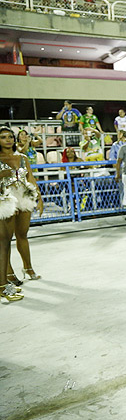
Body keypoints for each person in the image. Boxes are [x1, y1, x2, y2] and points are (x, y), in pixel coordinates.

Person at [0, 126, 43, 294]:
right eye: (3, 137)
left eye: (10, 136)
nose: (8, 139)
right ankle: (8, 274)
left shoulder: (23, 157)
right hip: (6, 198)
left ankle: (28, 268)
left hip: (24, 196)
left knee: (23, 234)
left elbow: (30, 178)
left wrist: (38, 198)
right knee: (5, 239)